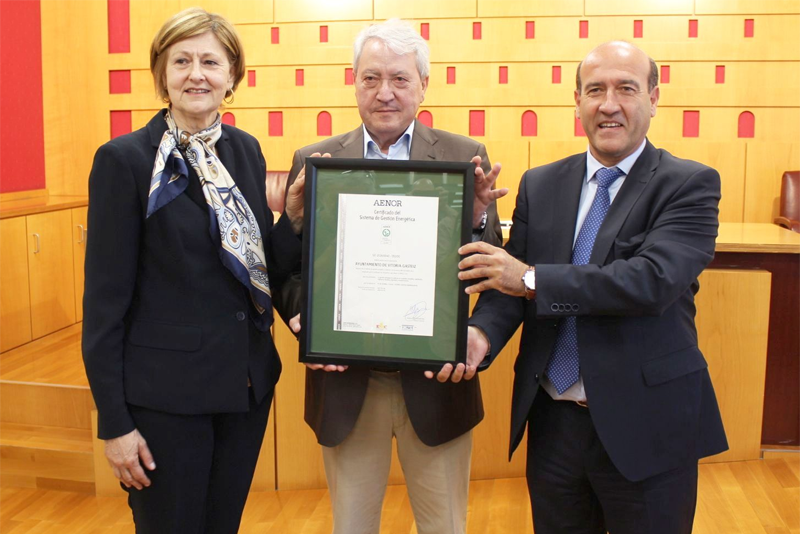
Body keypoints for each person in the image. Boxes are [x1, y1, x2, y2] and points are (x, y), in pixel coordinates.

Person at [457, 41, 729, 534]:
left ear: (653, 97)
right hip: (553, 423)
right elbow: (510, 288)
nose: (609, 104)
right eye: (596, 90)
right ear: (577, 100)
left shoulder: (688, 183)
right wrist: (481, 336)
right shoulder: (540, 184)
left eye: (626, 89)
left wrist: (529, 278)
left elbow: (650, 281)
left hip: (646, 424)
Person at [275, 19, 505, 534]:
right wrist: (301, 317)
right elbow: (287, 267)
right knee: (351, 526)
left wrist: (475, 224)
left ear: (424, 85)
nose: (385, 92)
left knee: (445, 526)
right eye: (371, 77)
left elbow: (491, 269)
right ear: (352, 81)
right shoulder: (314, 161)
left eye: (400, 79)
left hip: (437, 384)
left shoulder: (462, 157)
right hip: (348, 388)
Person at [81, 8, 304, 533]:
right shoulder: (125, 162)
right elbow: (104, 305)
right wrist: (114, 423)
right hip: (165, 400)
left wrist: (290, 221)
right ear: (162, 75)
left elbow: (254, 267)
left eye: (210, 61)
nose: (196, 74)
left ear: (232, 77)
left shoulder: (244, 150)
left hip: (245, 387)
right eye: (181, 61)